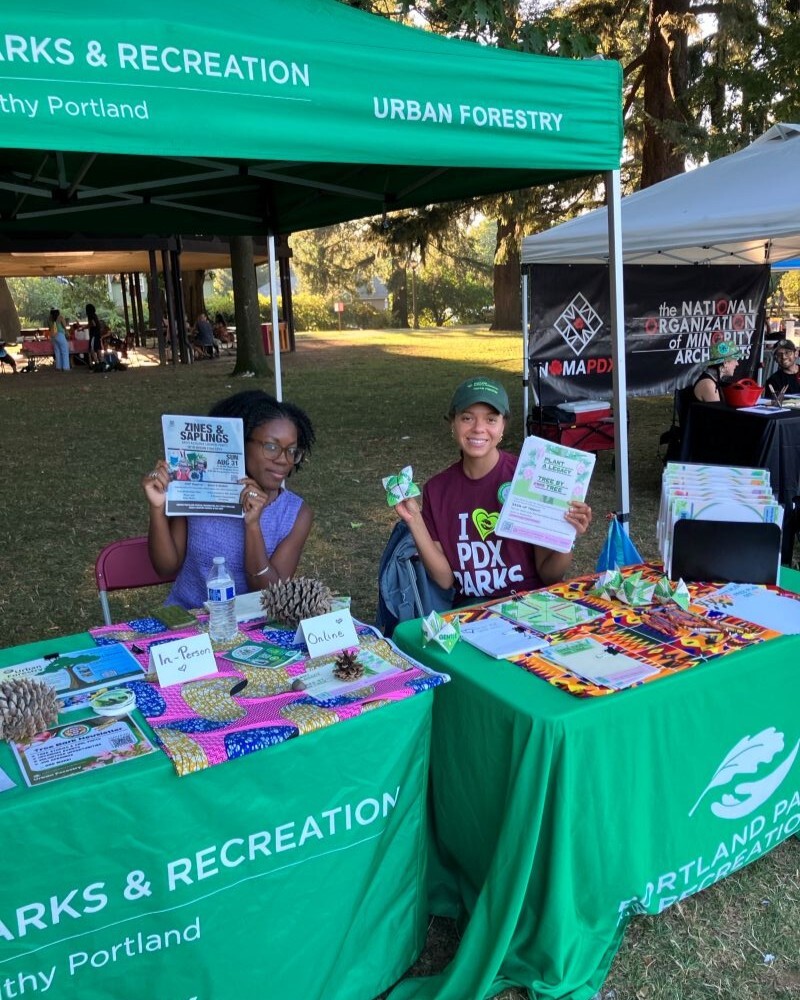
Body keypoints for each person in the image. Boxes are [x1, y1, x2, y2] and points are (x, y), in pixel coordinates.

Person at [394, 376, 593, 606]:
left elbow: (549, 575)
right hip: (472, 609)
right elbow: (445, 579)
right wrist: (414, 520)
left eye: (491, 419)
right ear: (453, 423)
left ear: (502, 427)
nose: (479, 428)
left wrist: (565, 536)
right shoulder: (437, 489)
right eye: (467, 418)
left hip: (529, 604)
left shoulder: (527, 477)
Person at [142, 390, 315, 610]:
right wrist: (157, 508)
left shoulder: (296, 514)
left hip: (253, 629)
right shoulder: (198, 493)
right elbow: (165, 568)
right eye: (271, 447)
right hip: (188, 620)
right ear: (240, 443)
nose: (284, 460)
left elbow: (271, 593)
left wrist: (252, 526)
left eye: (292, 451)